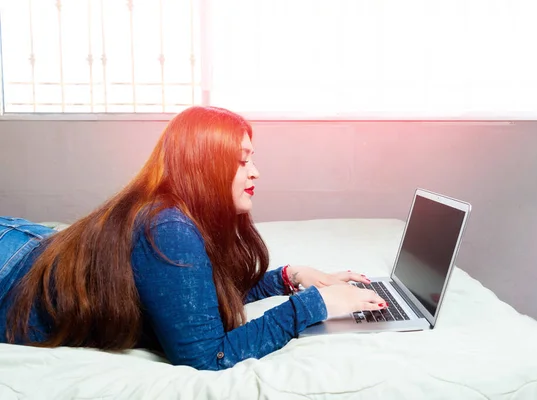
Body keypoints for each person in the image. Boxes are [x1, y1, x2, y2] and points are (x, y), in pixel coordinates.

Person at [0, 106, 387, 371]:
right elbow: (207, 356)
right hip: (12, 270)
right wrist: (314, 306)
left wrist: (291, 277)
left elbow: (191, 295)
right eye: (242, 160)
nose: (255, 172)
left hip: (31, 245)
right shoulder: (169, 228)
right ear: (207, 165)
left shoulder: (180, 217)